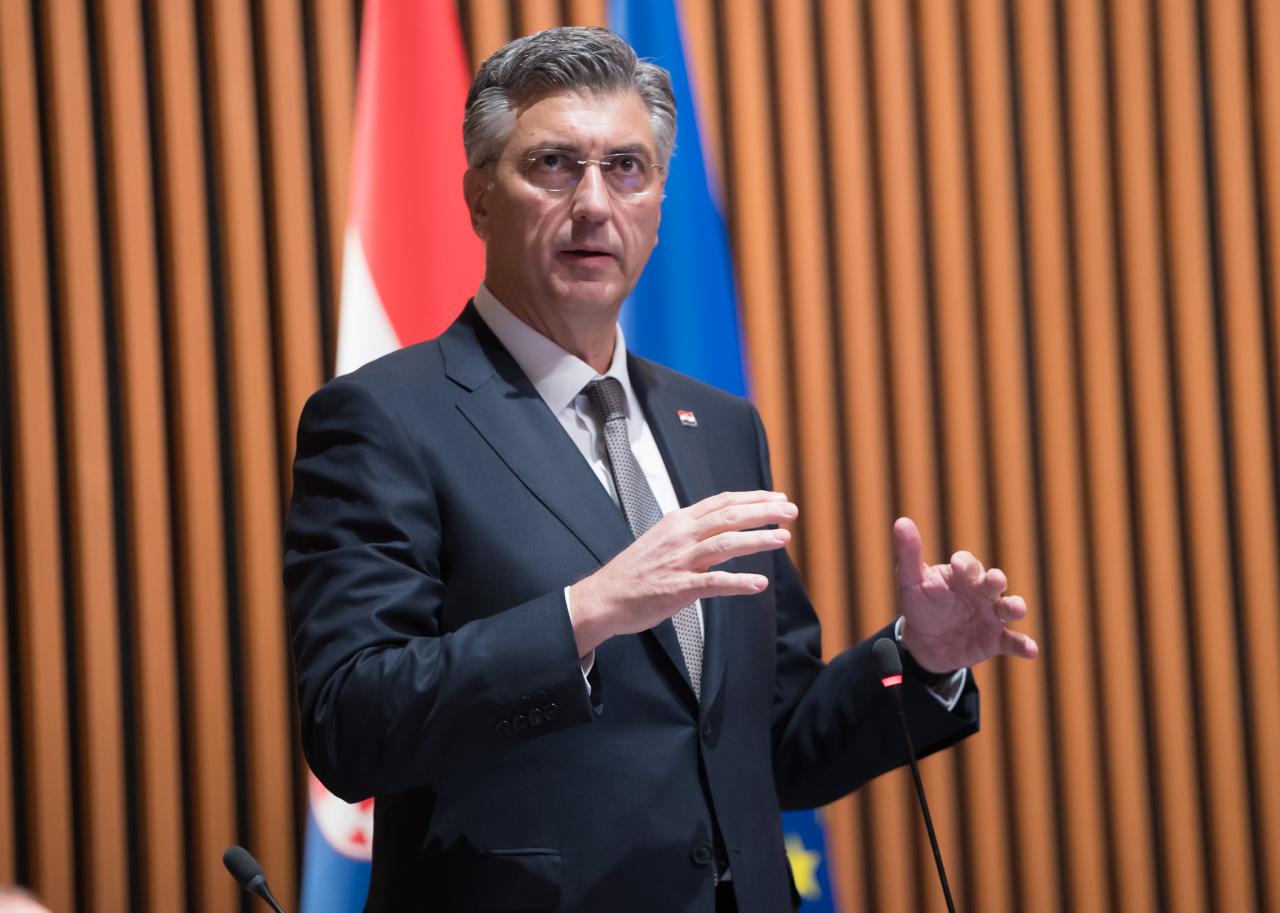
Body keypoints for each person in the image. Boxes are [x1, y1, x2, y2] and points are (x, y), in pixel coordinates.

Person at [285, 26, 1037, 913]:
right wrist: (585, 614)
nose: (594, 203)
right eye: (554, 165)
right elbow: (349, 720)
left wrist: (919, 660)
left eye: (626, 168)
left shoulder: (717, 426)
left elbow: (771, 741)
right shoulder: (385, 419)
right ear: (480, 198)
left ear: (658, 202)